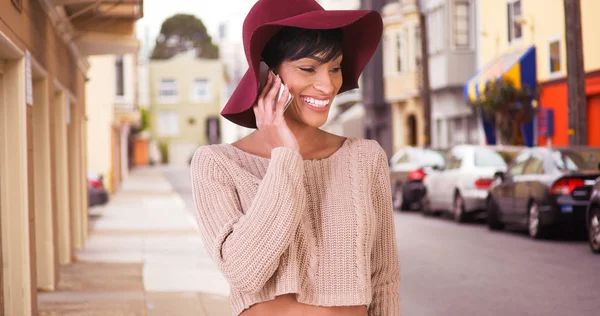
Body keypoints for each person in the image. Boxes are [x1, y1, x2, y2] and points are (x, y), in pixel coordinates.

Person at [190, 0, 401, 315]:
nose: (327, 85)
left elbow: (384, 279)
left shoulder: (364, 157)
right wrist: (285, 156)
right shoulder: (217, 164)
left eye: (335, 67)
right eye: (308, 68)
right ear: (265, 74)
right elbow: (245, 272)